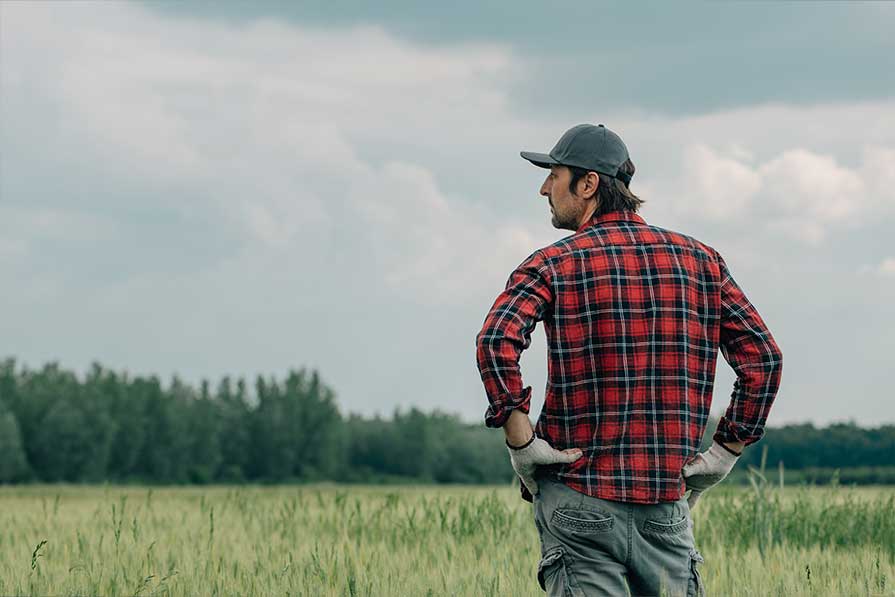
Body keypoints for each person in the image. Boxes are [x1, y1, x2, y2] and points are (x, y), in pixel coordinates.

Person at [474, 124, 783, 596]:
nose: (543, 188)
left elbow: (497, 339)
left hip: (578, 501)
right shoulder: (703, 262)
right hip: (666, 507)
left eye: (553, 174)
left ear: (589, 183)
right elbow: (764, 359)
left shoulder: (552, 263)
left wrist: (521, 444)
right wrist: (724, 452)